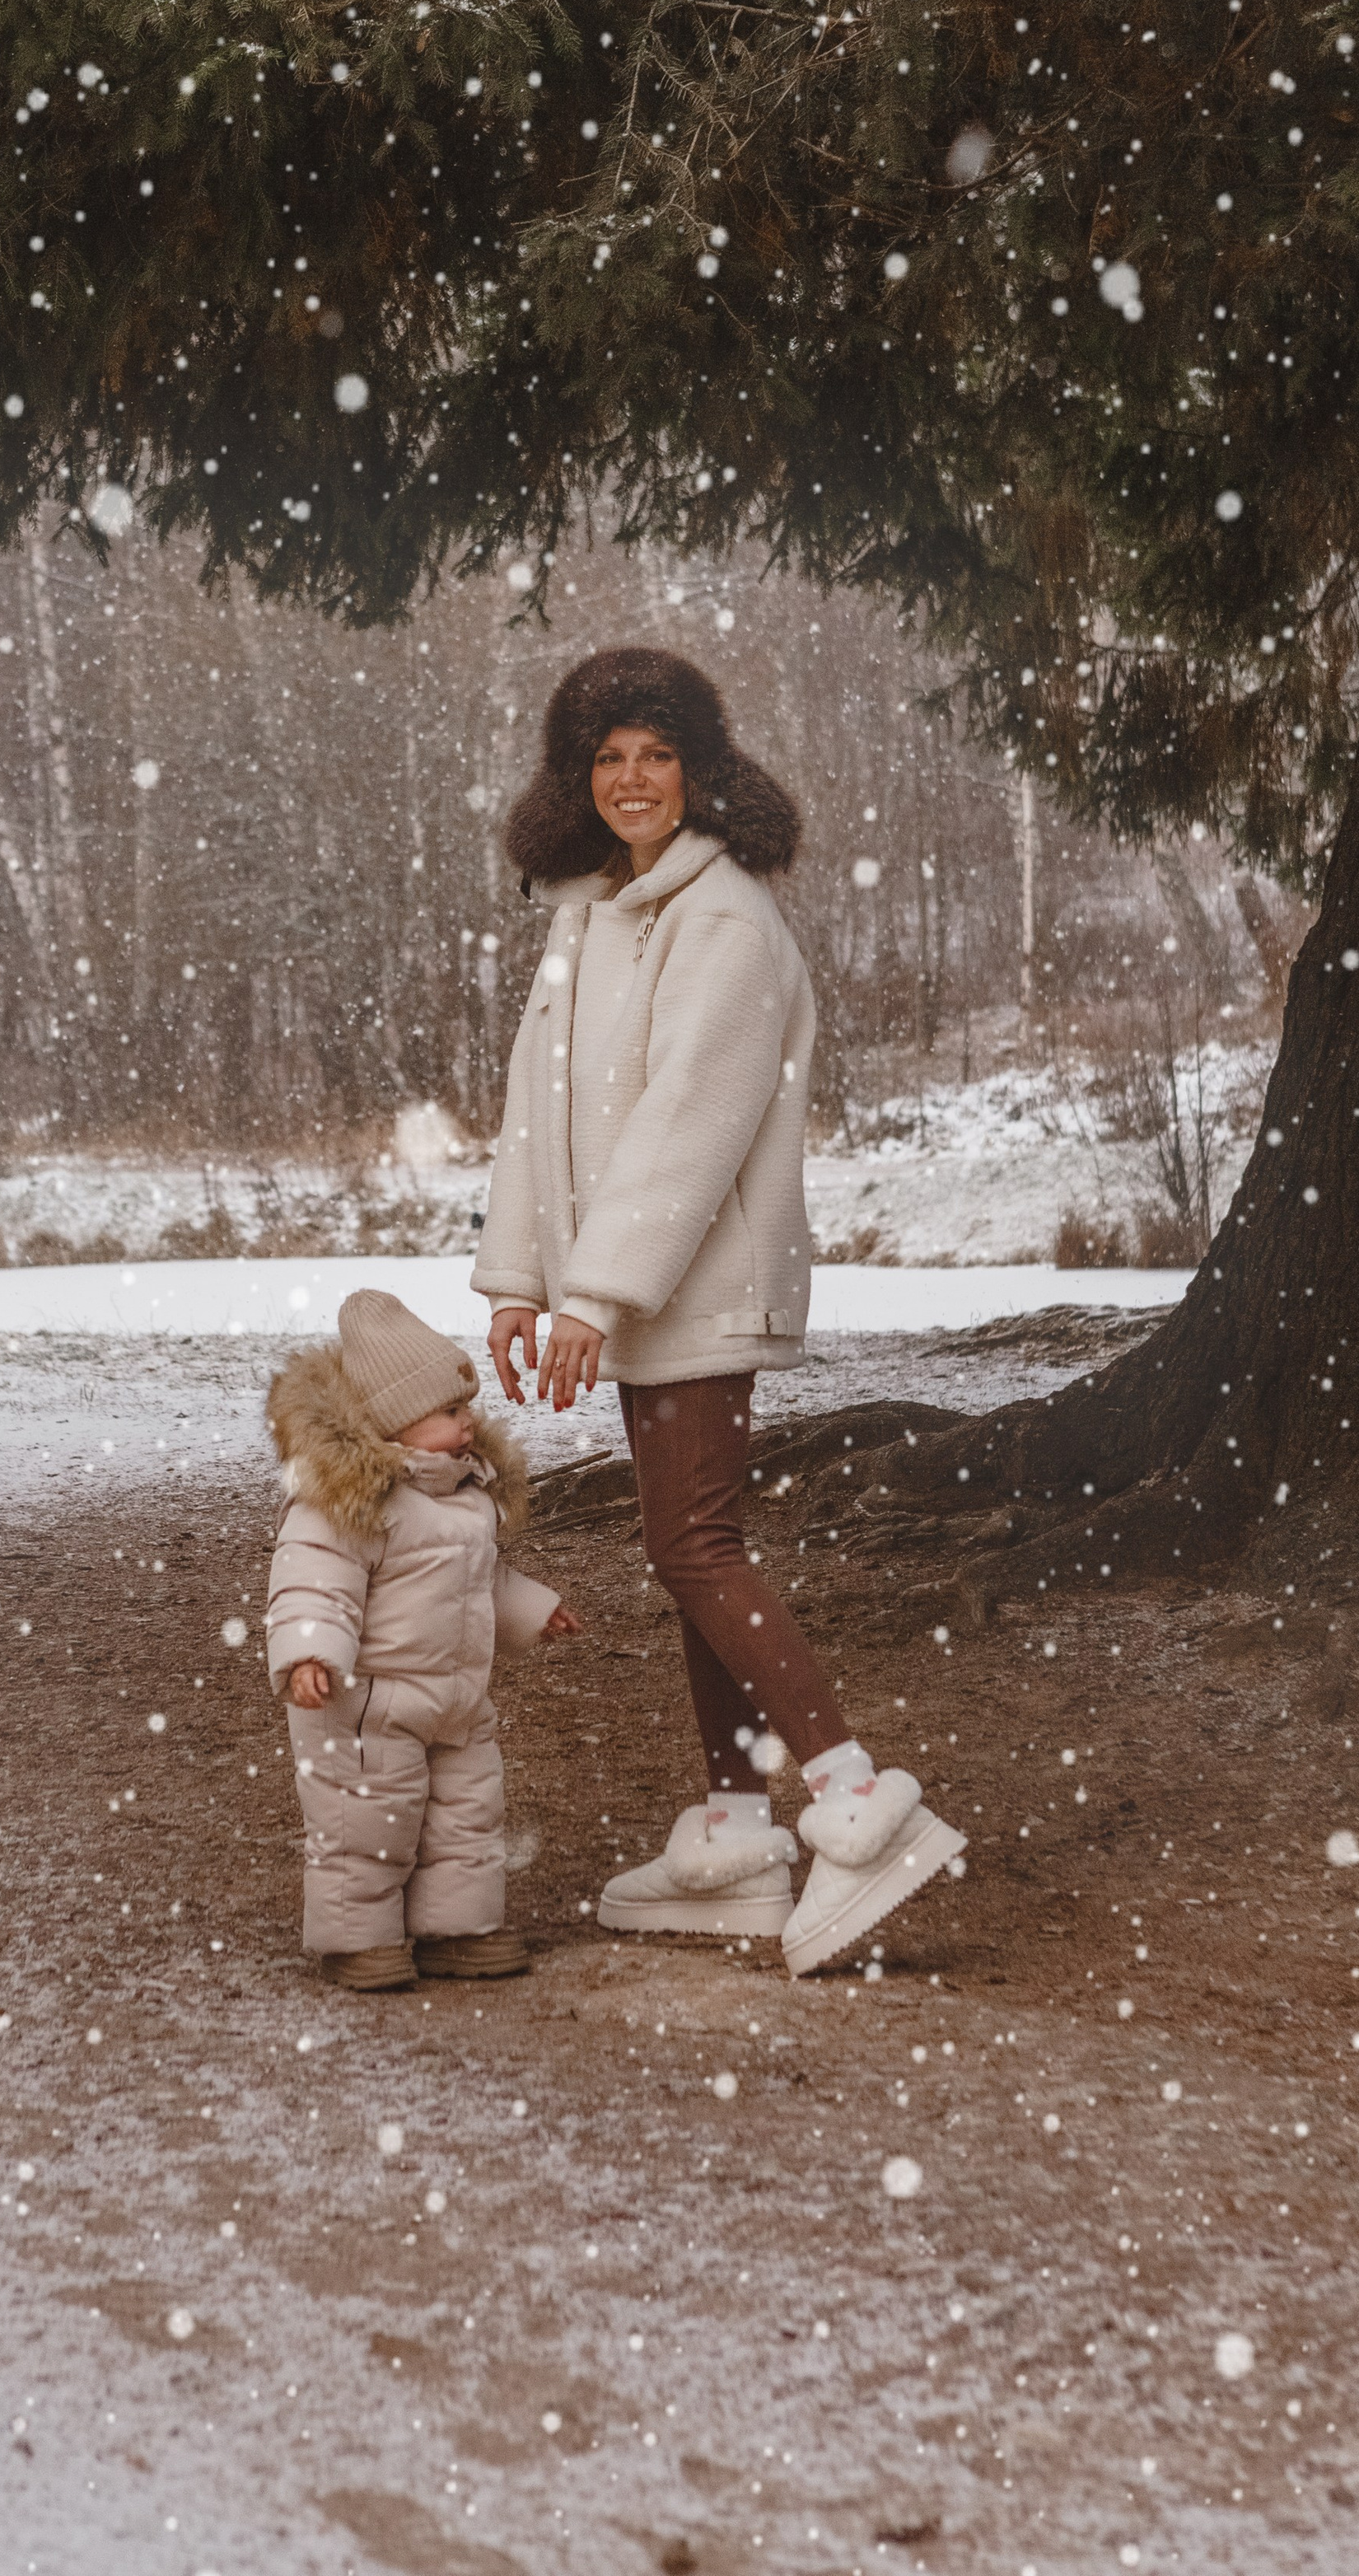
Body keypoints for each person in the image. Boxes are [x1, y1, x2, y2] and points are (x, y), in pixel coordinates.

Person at [472, 646, 964, 1977]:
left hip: (702, 1277)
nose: (633, 780)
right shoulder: (589, 914)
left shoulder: (725, 920)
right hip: (624, 1287)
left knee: (694, 1545)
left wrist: (598, 1293)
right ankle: (736, 1836)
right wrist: (524, 1279)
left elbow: (691, 1125)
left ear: (701, 771)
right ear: (579, 778)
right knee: (690, 1547)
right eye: (609, 757)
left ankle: (855, 1799)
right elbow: (537, 1112)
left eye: (658, 754)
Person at [264, 1285, 581, 1993]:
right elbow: (313, 1584)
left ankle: (458, 1932)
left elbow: (480, 1583)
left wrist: (534, 1609)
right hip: (368, 1707)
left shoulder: (466, 1497)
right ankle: (360, 1941)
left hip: (457, 1701)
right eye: (448, 1411)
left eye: (465, 1407)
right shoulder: (349, 1503)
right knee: (368, 1825)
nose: (468, 1423)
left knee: (467, 1819)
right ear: (395, 1422)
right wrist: (310, 1653)